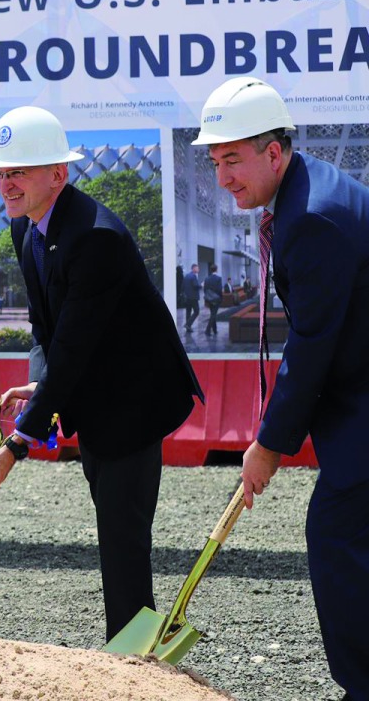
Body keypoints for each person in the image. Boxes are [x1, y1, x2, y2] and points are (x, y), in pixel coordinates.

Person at [0, 106, 202, 642]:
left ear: (59, 174)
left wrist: (17, 443)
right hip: (94, 393)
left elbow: (73, 348)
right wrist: (38, 382)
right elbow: (45, 329)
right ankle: (133, 646)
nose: (7, 183)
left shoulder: (95, 236)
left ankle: (133, 658)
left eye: (19, 172)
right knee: (115, 530)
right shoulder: (25, 228)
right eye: (1, 173)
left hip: (133, 403)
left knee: (122, 536)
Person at [194, 76, 369, 700]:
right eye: (216, 162)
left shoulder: (312, 218)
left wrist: (269, 445)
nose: (223, 179)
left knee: (335, 536)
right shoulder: (306, 194)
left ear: (275, 151)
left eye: (233, 159)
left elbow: (313, 347)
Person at [203, 263, 223, 336]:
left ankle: (214, 330)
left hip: (209, 299)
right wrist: (220, 297)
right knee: (213, 315)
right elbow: (219, 289)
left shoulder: (207, 278)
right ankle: (207, 330)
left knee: (212, 313)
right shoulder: (218, 278)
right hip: (216, 299)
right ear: (216, 269)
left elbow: (205, 289)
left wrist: (208, 296)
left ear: (210, 270)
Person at [182, 263, 201, 332]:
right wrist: (201, 285)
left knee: (188, 312)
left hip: (187, 297)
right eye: (197, 268)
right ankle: (188, 324)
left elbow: (183, 286)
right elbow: (195, 286)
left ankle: (188, 328)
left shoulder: (186, 276)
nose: (198, 269)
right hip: (193, 297)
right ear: (193, 268)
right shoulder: (193, 276)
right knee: (197, 311)